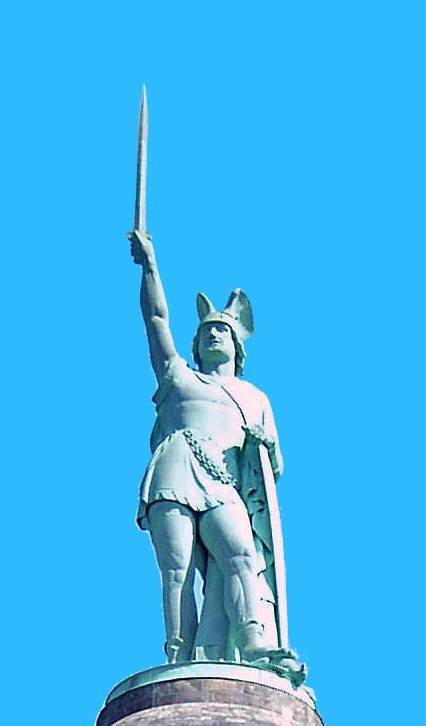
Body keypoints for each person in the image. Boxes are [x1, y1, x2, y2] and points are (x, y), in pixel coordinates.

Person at [129, 229, 296, 669]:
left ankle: (254, 639)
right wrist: (150, 266)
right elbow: (156, 320)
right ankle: (179, 655)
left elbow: (271, 468)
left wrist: (263, 447)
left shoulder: (255, 398)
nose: (213, 335)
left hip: (224, 483)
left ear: (237, 345)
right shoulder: (178, 377)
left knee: (241, 553)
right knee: (177, 570)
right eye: (206, 330)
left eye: (221, 329)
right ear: (197, 344)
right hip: (175, 470)